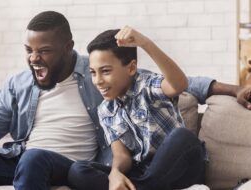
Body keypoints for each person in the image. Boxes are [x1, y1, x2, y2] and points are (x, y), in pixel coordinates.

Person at [0, 11, 251, 190]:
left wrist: (233, 88)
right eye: (29, 51)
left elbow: (178, 82)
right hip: (21, 160)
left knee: (38, 160)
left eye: (44, 51)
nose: (35, 59)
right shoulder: (21, 83)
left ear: (67, 47)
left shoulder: (106, 75)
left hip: (61, 164)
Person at [68, 27, 205, 190]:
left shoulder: (147, 85)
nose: (97, 81)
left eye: (105, 71)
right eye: (93, 72)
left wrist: (145, 43)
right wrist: (115, 173)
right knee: (78, 171)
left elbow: (179, 84)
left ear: (131, 68)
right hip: (144, 173)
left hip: (181, 168)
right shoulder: (105, 110)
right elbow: (121, 155)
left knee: (183, 136)